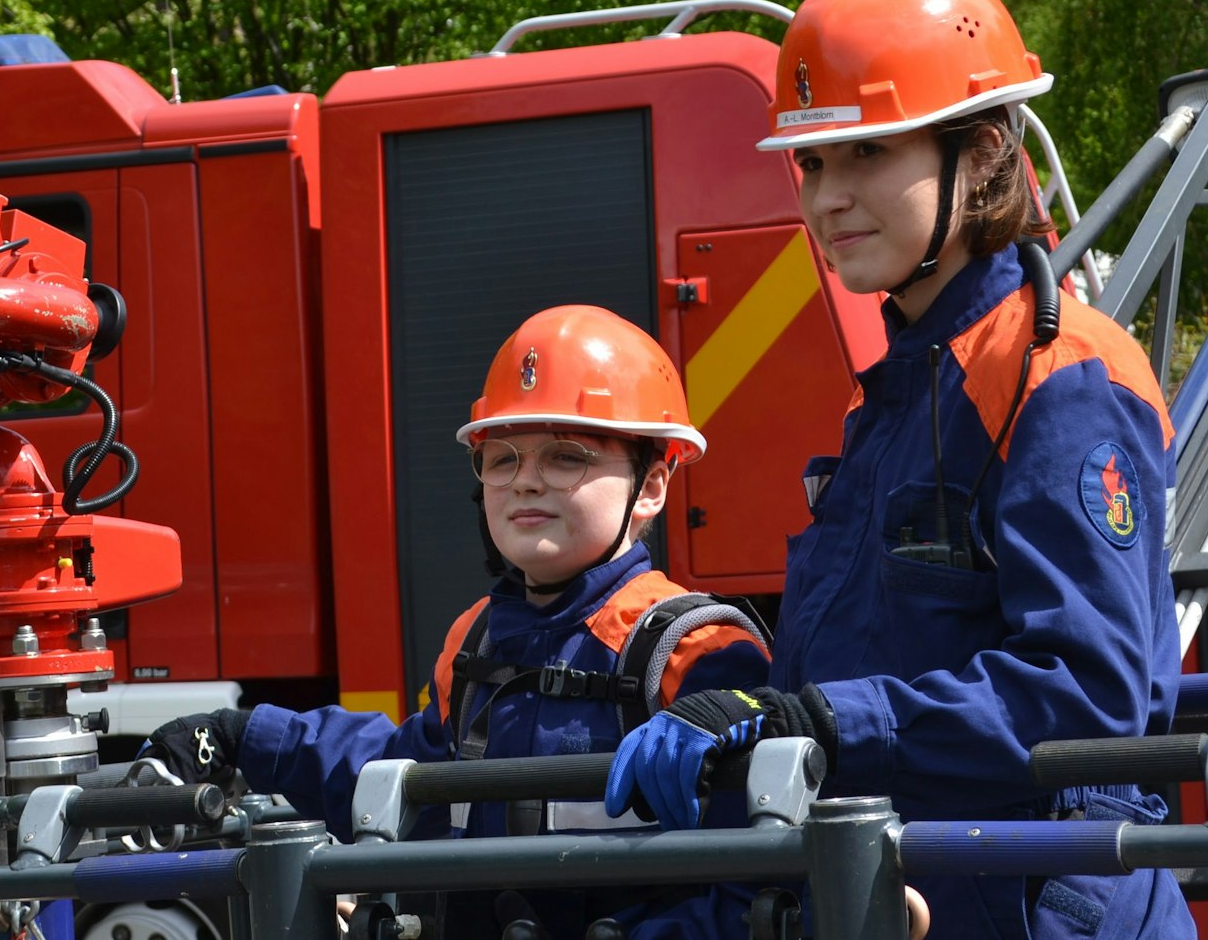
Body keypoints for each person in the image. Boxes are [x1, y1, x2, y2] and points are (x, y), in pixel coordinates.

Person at [602, 0, 1194, 940]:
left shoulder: (1058, 374)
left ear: (988, 148)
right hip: (912, 891)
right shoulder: (899, 385)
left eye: (867, 152)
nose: (827, 197)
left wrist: (820, 724)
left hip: (1041, 903)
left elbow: (1085, 694)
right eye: (810, 162)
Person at [144, 305, 773, 938]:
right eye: (501, 459)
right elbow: (404, 777)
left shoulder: (697, 650)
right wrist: (238, 736)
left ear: (654, 486)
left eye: (565, 457)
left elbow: (760, 879)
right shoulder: (475, 639)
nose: (525, 482)